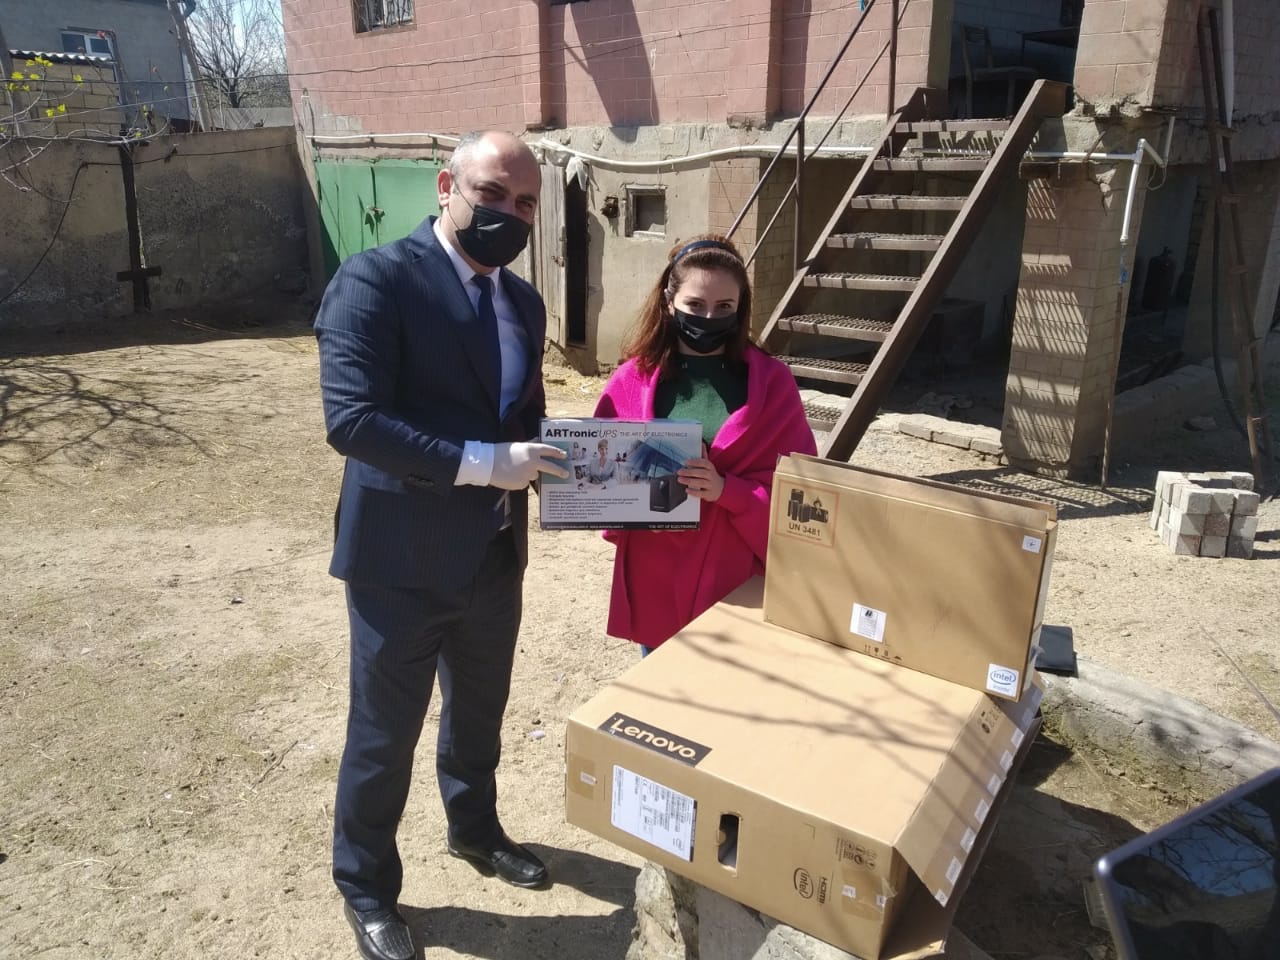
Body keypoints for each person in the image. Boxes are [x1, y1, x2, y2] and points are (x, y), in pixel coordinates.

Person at [314, 130, 569, 960]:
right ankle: (366, 888)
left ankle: (475, 830)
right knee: (384, 734)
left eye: (525, 203)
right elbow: (353, 421)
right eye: (492, 194)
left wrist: (576, 460)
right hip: (400, 559)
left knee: (480, 712)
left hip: (493, 554)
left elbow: (518, 414)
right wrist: (487, 464)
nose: (508, 215)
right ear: (446, 186)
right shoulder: (375, 280)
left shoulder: (523, 303)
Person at [593, 235, 817, 654]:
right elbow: (601, 478)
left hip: (733, 575)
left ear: (740, 308)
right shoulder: (630, 379)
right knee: (661, 688)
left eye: (724, 307)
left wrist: (727, 490)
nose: (709, 317)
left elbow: (801, 494)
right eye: (695, 305)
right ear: (669, 301)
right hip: (656, 572)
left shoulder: (773, 384)